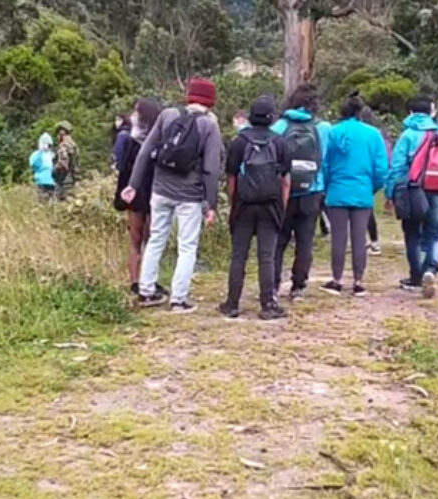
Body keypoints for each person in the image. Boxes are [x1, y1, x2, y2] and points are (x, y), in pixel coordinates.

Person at [122, 78, 223, 313]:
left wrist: (133, 184)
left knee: (156, 238)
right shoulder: (209, 126)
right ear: (211, 102)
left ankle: (146, 292)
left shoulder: (167, 115)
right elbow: (211, 168)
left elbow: (146, 150)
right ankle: (178, 299)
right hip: (190, 195)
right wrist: (210, 204)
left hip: (160, 190)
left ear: (188, 96)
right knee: (186, 246)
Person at [220, 96, 292, 320]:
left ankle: (232, 304)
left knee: (239, 255)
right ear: (272, 117)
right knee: (266, 256)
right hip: (270, 206)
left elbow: (231, 178)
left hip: (243, 205)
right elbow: (286, 180)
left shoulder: (238, 142)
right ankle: (268, 305)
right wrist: (281, 205)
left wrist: (234, 203)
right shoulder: (280, 143)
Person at [319, 93, 388, 298]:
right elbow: (381, 167)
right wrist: (373, 187)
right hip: (362, 191)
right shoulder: (373, 134)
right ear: (360, 112)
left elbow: (326, 164)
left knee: (339, 238)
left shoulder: (334, 132)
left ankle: (337, 280)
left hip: (337, 191)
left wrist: (328, 186)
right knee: (360, 238)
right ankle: (358, 282)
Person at [271, 83, 332, 301]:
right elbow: (328, 161)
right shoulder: (323, 128)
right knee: (305, 241)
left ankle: (273, 285)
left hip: (283, 192)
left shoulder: (279, 126)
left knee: (278, 240)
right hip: (312, 191)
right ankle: (298, 286)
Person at [387, 95, 438, 298]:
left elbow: (397, 167)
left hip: (412, 189)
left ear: (410, 113)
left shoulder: (408, 135)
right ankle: (431, 269)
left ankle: (416, 276)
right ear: (432, 111)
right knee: (435, 232)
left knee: (413, 233)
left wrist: (391, 193)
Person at [113, 98, 165, 295]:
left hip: (136, 194)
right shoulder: (158, 141)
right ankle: (147, 280)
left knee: (137, 239)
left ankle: (137, 281)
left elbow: (123, 171)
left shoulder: (130, 141)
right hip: (153, 193)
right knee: (152, 239)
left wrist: (122, 195)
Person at [358, 106, 390, 256]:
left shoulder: (360, 133)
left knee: (360, 209)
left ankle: (366, 239)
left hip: (361, 175)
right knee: (367, 209)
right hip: (372, 177)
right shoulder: (377, 134)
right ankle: (373, 240)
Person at [54, 121, 80, 201]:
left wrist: (54, 170)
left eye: (58, 134)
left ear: (62, 133)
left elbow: (62, 163)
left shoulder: (64, 145)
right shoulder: (74, 145)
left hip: (64, 180)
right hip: (73, 179)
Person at [30, 132, 56, 201]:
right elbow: (33, 164)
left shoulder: (52, 155)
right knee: (42, 201)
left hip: (52, 183)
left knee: (52, 203)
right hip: (41, 182)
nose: (47, 146)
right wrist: (40, 152)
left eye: (49, 145)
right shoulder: (36, 154)